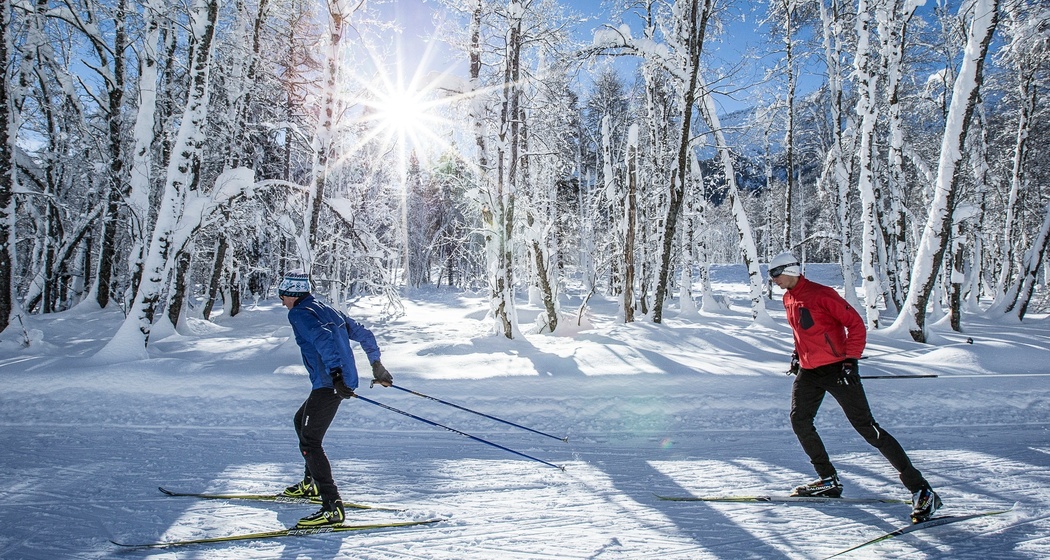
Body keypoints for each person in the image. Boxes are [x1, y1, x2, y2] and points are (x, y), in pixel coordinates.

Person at [768, 251, 941, 523]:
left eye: (776, 275)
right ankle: (828, 480)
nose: (774, 281)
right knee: (800, 420)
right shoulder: (788, 298)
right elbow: (803, 331)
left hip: (838, 369)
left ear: (791, 271)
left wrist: (850, 360)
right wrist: (796, 355)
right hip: (809, 370)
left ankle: (922, 489)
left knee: (867, 428)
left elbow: (855, 325)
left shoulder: (822, 294)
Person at [277, 269, 394, 528]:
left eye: (282, 296)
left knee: (310, 441)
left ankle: (332, 507)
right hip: (335, 381)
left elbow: (323, 339)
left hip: (330, 382)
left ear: (291, 294)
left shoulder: (298, 312)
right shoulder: (326, 309)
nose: (282, 301)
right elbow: (364, 334)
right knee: (301, 421)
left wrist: (337, 375)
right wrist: (377, 365)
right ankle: (310, 485)